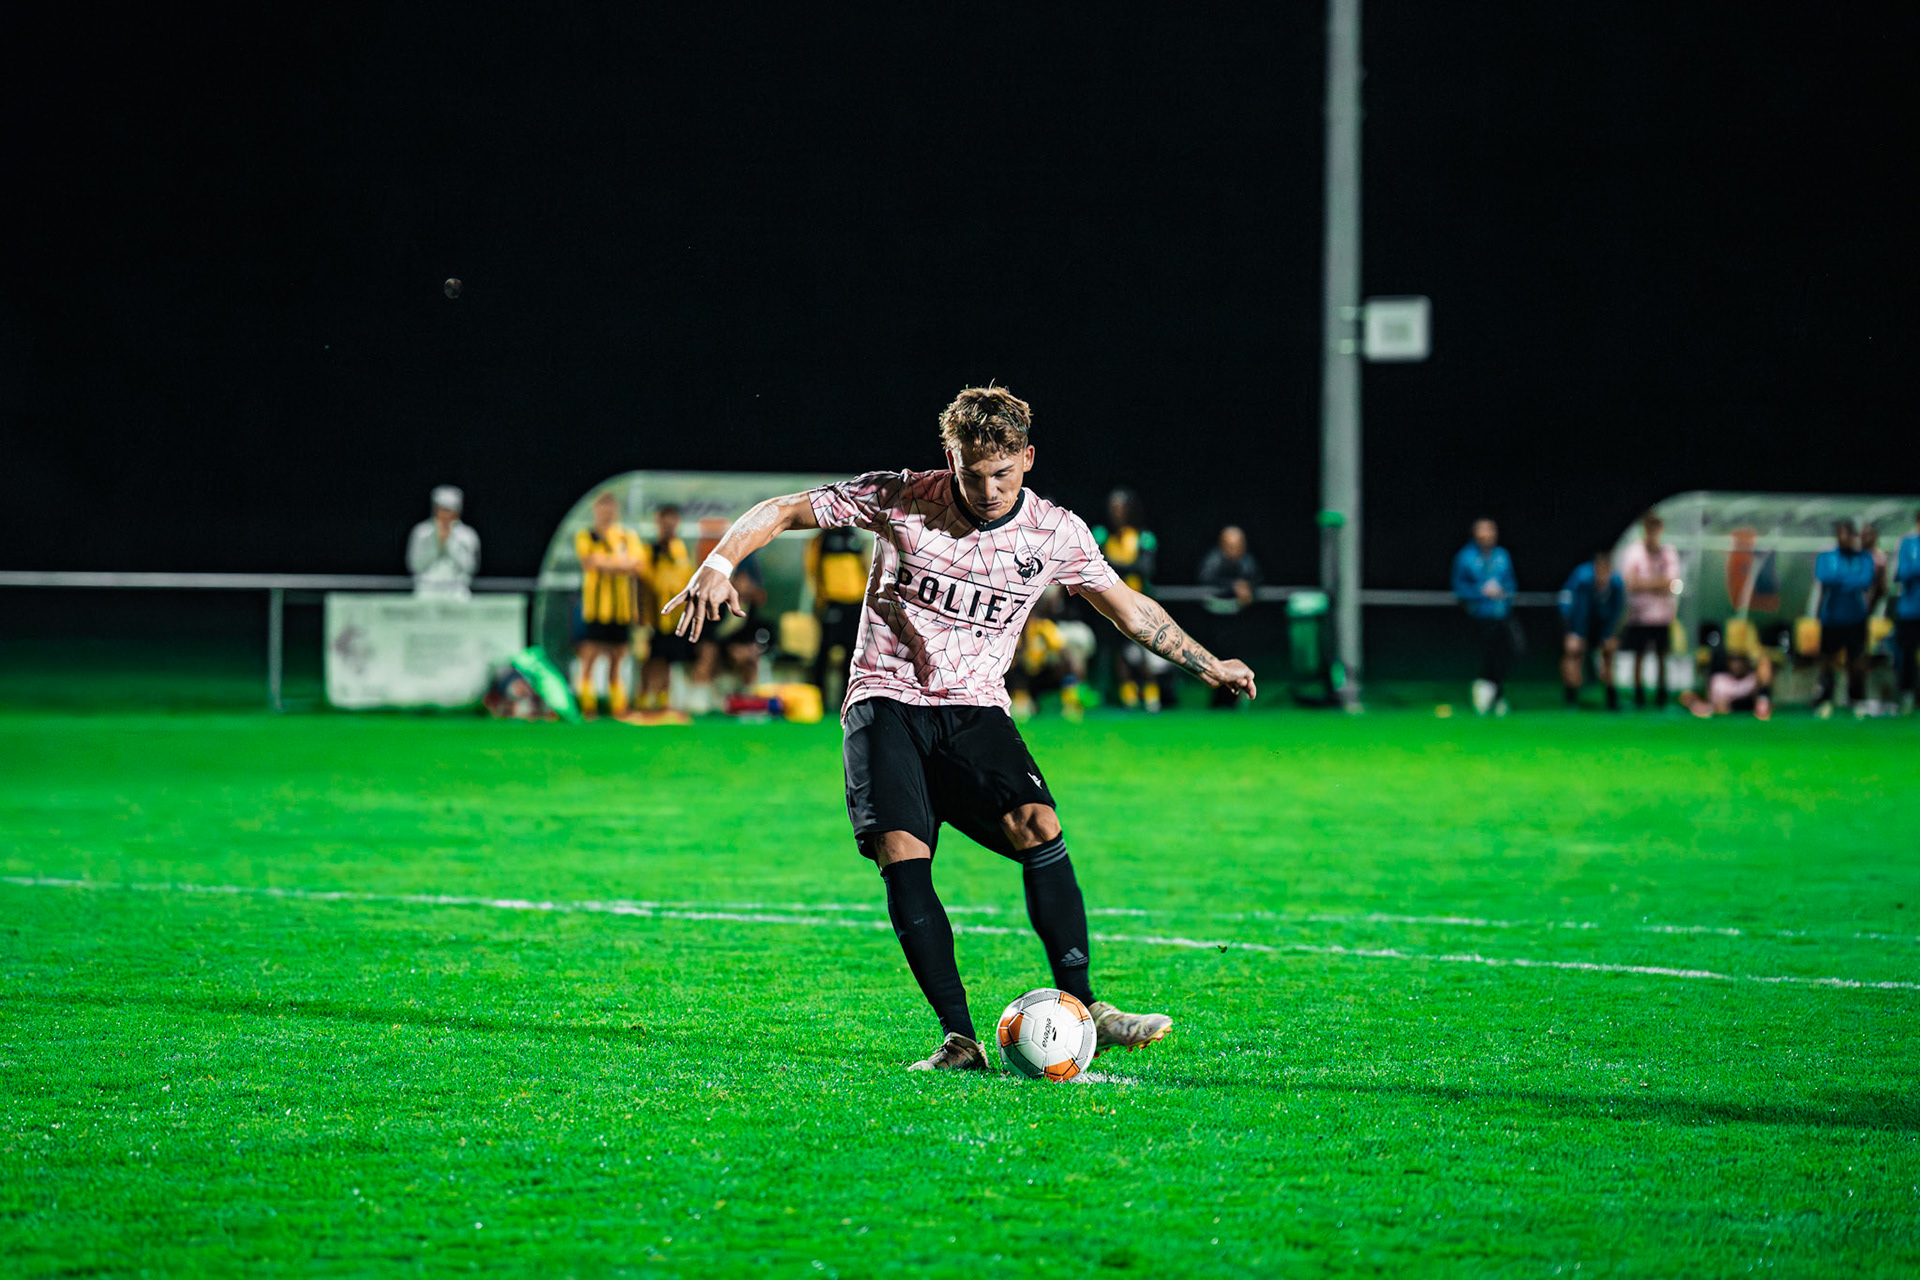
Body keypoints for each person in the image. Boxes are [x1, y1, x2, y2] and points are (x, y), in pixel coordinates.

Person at [664, 385, 1258, 1072]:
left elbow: (1127, 608)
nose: (987, 488)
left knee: (1039, 823)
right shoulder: (901, 496)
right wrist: (716, 564)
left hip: (975, 708)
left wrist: (1207, 663)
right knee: (902, 852)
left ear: (1027, 459)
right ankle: (960, 1039)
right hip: (884, 700)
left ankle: (1086, 1005)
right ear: (950, 456)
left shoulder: (1054, 532)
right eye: (971, 473)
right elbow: (784, 510)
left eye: (1002, 473)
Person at [1092, 489, 1170, 711]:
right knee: (1117, 651)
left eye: (1121, 508)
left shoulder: (1144, 537)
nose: (1116, 513)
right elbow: (1096, 566)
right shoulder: (1100, 534)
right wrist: (1123, 568)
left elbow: (1145, 568)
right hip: (1107, 602)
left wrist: (1115, 566)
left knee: (1143, 647)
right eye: (1112, 508)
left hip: (1139, 602)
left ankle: (1151, 693)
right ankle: (1126, 695)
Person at [573, 491, 647, 716]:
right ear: (596, 509)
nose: (607, 511)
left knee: (617, 658)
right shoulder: (587, 535)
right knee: (589, 657)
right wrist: (621, 563)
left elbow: (639, 565)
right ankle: (587, 707)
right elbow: (591, 562)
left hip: (622, 610)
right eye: (602, 507)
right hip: (596, 609)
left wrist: (609, 563)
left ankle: (617, 708)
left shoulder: (626, 536)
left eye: (611, 507)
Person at [1451, 518, 1517, 716]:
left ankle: (1493, 691)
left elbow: (1511, 583)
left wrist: (1504, 593)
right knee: (1488, 655)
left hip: (1502, 613)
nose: (1487, 535)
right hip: (1479, 615)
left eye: (1491, 531)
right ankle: (1490, 696)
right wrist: (1481, 592)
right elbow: (1458, 587)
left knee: (1513, 649)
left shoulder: (1502, 556)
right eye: (1483, 531)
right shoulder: (1465, 557)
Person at [1812, 519, 1875, 718]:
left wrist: (1841, 579)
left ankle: (1856, 700)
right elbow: (1826, 578)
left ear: (1853, 536)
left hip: (1856, 618)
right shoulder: (1826, 556)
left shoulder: (1864, 557)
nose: (1843, 538)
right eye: (1840, 533)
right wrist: (1849, 579)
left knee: (1856, 662)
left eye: (1847, 534)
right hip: (1831, 618)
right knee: (1828, 661)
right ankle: (1826, 700)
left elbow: (1865, 580)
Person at [1619, 512, 1681, 709]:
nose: (1653, 531)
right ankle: (1639, 697)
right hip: (1639, 615)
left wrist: (1646, 583)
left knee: (1662, 656)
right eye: (1649, 526)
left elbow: (1672, 583)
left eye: (1656, 526)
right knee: (1639, 657)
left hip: (1662, 616)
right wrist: (1658, 584)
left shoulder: (1668, 552)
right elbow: (1631, 583)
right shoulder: (1634, 551)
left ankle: (1661, 698)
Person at [1197, 526, 1263, 709]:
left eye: (1238, 545)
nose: (1234, 549)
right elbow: (1205, 580)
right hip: (1215, 620)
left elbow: (1256, 581)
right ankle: (1218, 701)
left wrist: (1248, 589)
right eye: (1230, 545)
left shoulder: (1247, 562)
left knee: (1238, 657)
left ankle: (1238, 699)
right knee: (1217, 660)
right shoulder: (1213, 561)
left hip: (1238, 621)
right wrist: (1232, 587)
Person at [806, 524, 871, 702]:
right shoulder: (822, 537)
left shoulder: (854, 535)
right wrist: (821, 598)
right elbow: (812, 569)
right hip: (832, 602)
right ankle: (818, 699)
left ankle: (847, 698)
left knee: (852, 653)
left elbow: (864, 566)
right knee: (824, 652)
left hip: (855, 603)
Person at [642, 505, 697, 710]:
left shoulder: (681, 549)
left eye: (673, 521)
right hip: (653, 615)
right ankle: (646, 696)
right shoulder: (651, 549)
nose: (670, 526)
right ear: (658, 522)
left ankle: (664, 699)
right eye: (665, 521)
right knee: (652, 658)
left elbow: (688, 578)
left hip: (676, 615)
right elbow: (644, 582)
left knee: (670, 659)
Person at [1558, 550, 1624, 709]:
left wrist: (1610, 635)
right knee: (1574, 652)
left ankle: (1611, 699)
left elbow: (1618, 612)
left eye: (1605, 572)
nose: (1602, 577)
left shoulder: (1617, 584)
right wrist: (1573, 633)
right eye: (1599, 571)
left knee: (1608, 653)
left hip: (1601, 624)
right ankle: (1571, 697)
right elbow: (1571, 605)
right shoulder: (1582, 578)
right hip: (1576, 621)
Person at [406, 485, 480, 598]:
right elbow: (415, 566)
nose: (445, 515)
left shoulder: (468, 535)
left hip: (457, 592)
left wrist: (450, 541)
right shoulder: (422, 532)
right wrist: (436, 542)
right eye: (441, 509)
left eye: (449, 510)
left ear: (457, 512)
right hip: (426, 591)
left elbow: (470, 568)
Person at [1680, 648, 1773, 720]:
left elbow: (1756, 701)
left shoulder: (1752, 679)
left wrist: (1731, 705)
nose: (1736, 665)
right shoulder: (1719, 680)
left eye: (1739, 660)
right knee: (1687, 696)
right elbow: (1712, 702)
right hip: (1717, 716)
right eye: (1732, 660)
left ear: (1746, 662)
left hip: (1746, 717)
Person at [1895, 510, 1920, 714]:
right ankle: (1907, 696)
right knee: (1907, 655)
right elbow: (1902, 572)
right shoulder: (1907, 544)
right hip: (1910, 611)